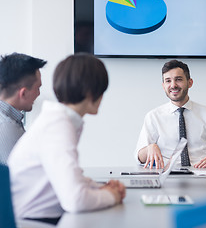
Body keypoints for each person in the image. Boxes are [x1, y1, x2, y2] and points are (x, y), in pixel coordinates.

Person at [8, 53, 126, 225]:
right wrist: (112, 196)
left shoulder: (58, 120)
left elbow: (70, 177)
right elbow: (75, 200)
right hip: (34, 222)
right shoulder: (58, 126)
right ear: (90, 92)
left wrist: (100, 188)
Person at [135, 60, 206, 169]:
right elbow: (139, 158)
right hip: (167, 175)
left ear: (190, 82)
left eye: (178, 79)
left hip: (200, 173)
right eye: (168, 81)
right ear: (163, 86)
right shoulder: (153, 116)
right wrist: (149, 148)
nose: (173, 85)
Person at [0, 53, 46, 165]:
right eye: (38, 88)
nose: (39, 94)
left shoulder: (9, 121)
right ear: (23, 93)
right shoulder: (7, 128)